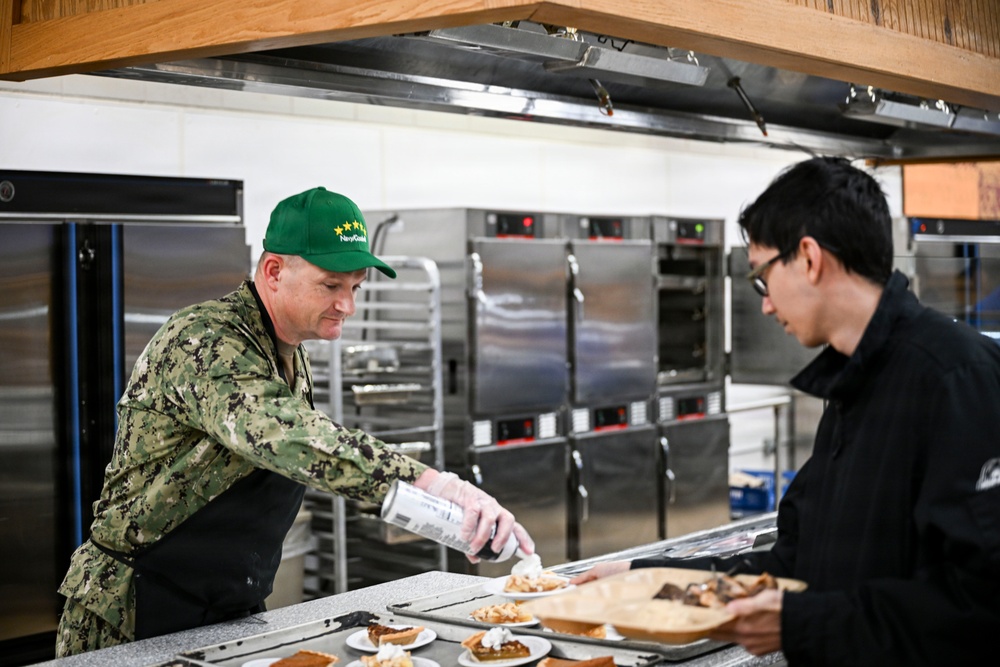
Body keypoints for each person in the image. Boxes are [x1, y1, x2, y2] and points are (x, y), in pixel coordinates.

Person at [56, 187, 534, 656]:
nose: (347, 305)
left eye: (355, 287)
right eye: (331, 285)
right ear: (273, 271)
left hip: (224, 606)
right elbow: (295, 440)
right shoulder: (206, 341)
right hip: (134, 610)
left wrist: (442, 519)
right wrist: (437, 485)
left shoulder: (288, 351)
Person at [571, 157, 1000, 666]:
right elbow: (796, 559)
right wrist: (648, 577)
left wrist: (800, 622)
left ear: (810, 258)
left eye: (761, 278)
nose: (767, 305)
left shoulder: (954, 376)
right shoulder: (851, 386)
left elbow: (982, 606)